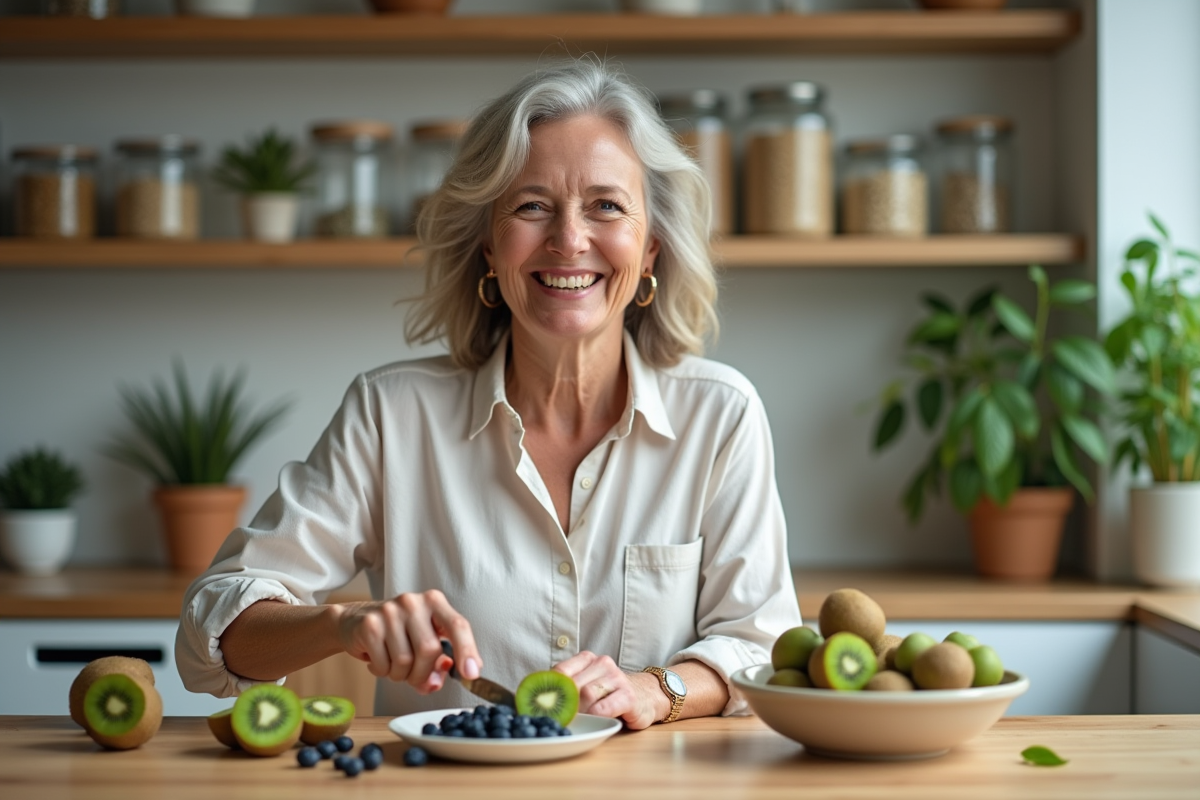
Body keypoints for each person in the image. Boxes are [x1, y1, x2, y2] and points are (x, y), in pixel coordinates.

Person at [176, 59, 801, 730]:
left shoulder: (721, 414)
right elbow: (212, 632)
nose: (568, 240)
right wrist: (343, 624)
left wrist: (657, 690)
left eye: (606, 206)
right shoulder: (391, 414)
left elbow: (758, 645)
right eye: (532, 206)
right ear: (487, 245)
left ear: (649, 249)